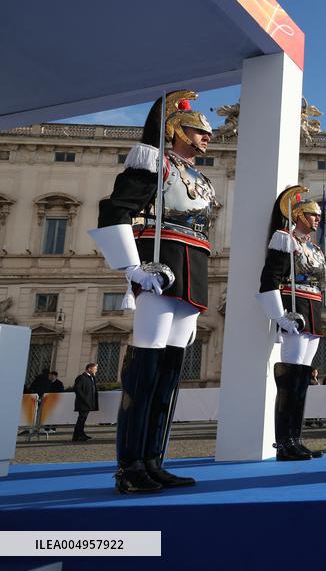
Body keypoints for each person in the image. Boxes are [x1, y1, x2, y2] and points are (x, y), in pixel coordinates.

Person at [89, 91, 218, 494]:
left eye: (207, 133)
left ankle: (154, 460)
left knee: (169, 373)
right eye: (199, 131)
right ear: (176, 129)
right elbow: (114, 211)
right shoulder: (153, 164)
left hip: (192, 270)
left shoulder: (199, 177)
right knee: (144, 372)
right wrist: (131, 267)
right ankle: (129, 467)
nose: (206, 138)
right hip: (159, 266)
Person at [257, 186, 326, 461]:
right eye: (312, 214)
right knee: (289, 379)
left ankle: (296, 438)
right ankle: (284, 442)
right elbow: (269, 279)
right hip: (294, 306)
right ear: (298, 214)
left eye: (318, 216)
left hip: (313, 307)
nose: (317, 219)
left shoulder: (314, 247)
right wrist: (279, 314)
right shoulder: (285, 240)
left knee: (301, 379)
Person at [72, 363, 99, 442]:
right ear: (89, 369)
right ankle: (79, 435)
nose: (96, 370)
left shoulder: (92, 377)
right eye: (95, 368)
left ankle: (77, 436)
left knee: (82, 419)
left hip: (88, 403)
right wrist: (85, 399)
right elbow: (77, 389)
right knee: (81, 419)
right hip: (83, 403)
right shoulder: (81, 377)